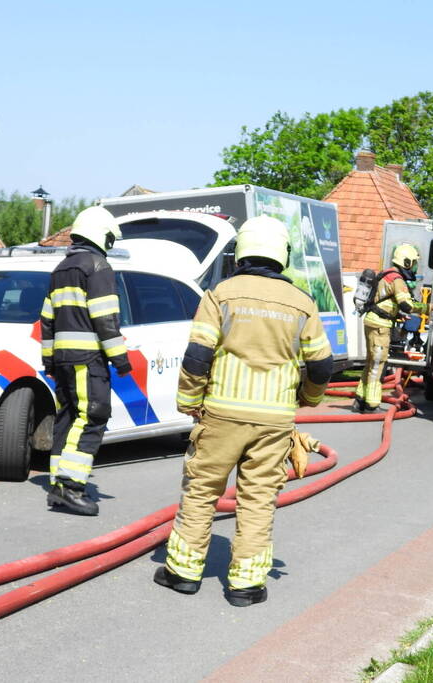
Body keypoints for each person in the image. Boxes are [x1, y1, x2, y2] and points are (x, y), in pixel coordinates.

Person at [153, 215, 333, 607]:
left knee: (201, 493)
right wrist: (309, 398)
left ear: (242, 252)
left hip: (220, 414)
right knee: (257, 500)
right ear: (281, 254)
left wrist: (189, 401)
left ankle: (183, 573)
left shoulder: (221, 294)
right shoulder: (302, 302)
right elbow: (321, 364)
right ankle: (246, 585)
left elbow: (198, 355)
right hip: (274, 422)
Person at [40, 206, 131, 516]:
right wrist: (120, 359)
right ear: (100, 235)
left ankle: (57, 480)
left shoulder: (61, 269)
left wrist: (49, 359)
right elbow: (106, 318)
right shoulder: (98, 266)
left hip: (63, 360)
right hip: (87, 358)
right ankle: (70, 487)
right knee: (93, 416)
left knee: (68, 417)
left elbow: (47, 320)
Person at [353, 244, 424, 413]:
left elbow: (384, 302)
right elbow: (407, 304)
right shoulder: (397, 280)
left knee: (371, 363)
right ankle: (371, 404)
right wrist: (429, 308)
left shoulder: (387, 274)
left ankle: (359, 400)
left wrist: (396, 315)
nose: (414, 266)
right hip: (380, 327)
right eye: (413, 263)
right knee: (378, 364)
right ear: (406, 262)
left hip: (373, 321)